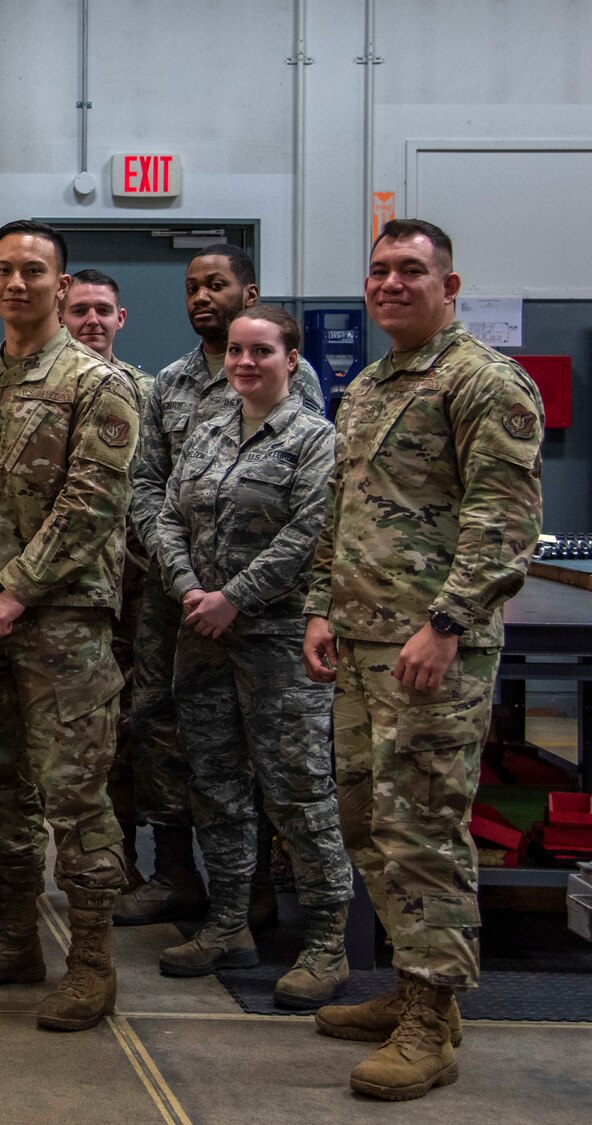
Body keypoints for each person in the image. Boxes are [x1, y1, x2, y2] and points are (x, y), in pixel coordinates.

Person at [303, 220, 544, 1101]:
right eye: (379, 270)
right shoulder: (370, 385)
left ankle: (434, 1016)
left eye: (411, 270)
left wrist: (445, 624)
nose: (391, 283)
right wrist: (321, 607)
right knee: (368, 818)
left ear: (449, 282)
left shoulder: (485, 382)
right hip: (362, 643)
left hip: (430, 651)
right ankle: (411, 984)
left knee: (426, 827)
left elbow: (504, 524)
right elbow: (343, 506)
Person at [0, 221, 138, 1032]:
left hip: (65, 623)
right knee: (1, 787)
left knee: (76, 793)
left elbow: (94, 503)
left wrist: (18, 586)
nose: (19, 284)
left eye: (35, 271)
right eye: (6, 271)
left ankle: (93, 960)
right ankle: (14, 935)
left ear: (60, 282)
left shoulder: (96, 382)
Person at [150, 306, 353, 1007]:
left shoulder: (315, 439)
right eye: (236, 350)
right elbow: (167, 515)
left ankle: (328, 938)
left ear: (291, 359)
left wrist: (234, 595)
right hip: (201, 635)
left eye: (261, 350)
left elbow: (310, 535)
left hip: (277, 638)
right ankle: (229, 921)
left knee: (297, 787)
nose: (244, 362)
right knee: (215, 781)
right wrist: (188, 589)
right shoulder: (206, 432)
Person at [121, 243, 323, 928]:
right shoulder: (173, 388)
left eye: (217, 284)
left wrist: (235, 592)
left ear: (249, 292)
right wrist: (181, 580)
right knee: (170, 732)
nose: (201, 296)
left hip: (268, 612)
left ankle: (267, 893)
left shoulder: (302, 398)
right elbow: (151, 487)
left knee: (276, 760)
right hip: (178, 601)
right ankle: (185, 880)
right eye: (192, 286)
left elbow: (310, 510)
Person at [62, 268, 154, 890]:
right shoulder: (47, 388)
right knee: (87, 737)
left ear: (122, 319)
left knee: (140, 729)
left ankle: (135, 868)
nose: (92, 321)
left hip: (144, 589)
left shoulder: (151, 392)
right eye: (80, 312)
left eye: (103, 311)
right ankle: (104, 870)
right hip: (75, 588)